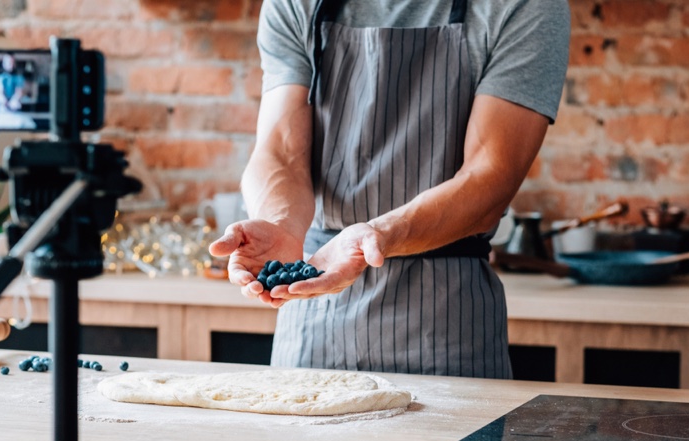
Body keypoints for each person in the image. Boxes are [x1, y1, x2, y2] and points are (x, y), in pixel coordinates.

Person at [209, 0, 570, 378]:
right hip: (312, 319)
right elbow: (280, 151)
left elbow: (490, 176)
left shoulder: (526, 6)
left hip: (449, 332)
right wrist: (281, 223)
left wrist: (379, 235)